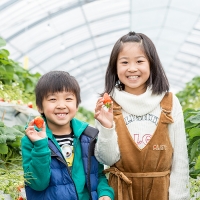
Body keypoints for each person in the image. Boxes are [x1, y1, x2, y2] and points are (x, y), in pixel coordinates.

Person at [94, 32, 190, 200]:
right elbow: (106, 159)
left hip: (162, 193)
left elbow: (180, 160)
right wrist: (107, 127)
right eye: (124, 62)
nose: (132, 68)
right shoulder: (107, 104)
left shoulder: (169, 102)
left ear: (151, 64)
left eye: (139, 61)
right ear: (115, 67)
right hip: (121, 193)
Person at [21, 71, 114, 200]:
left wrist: (105, 193)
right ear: (40, 107)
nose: (61, 105)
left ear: (76, 106)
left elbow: (97, 175)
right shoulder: (31, 140)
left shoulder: (88, 137)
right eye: (52, 99)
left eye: (68, 99)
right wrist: (40, 146)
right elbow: (37, 184)